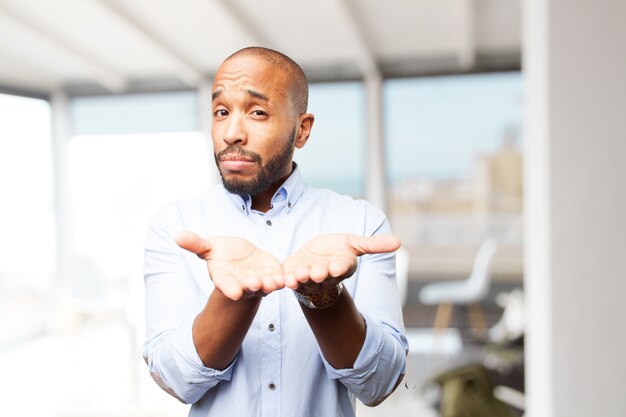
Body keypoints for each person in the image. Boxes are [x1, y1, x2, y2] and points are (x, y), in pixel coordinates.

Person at [142, 46, 408, 417]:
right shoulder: (175, 226)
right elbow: (179, 380)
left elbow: (380, 384)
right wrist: (234, 298)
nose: (232, 132)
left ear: (302, 129)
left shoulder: (360, 223)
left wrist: (324, 297)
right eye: (221, 112)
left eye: (257, 112)